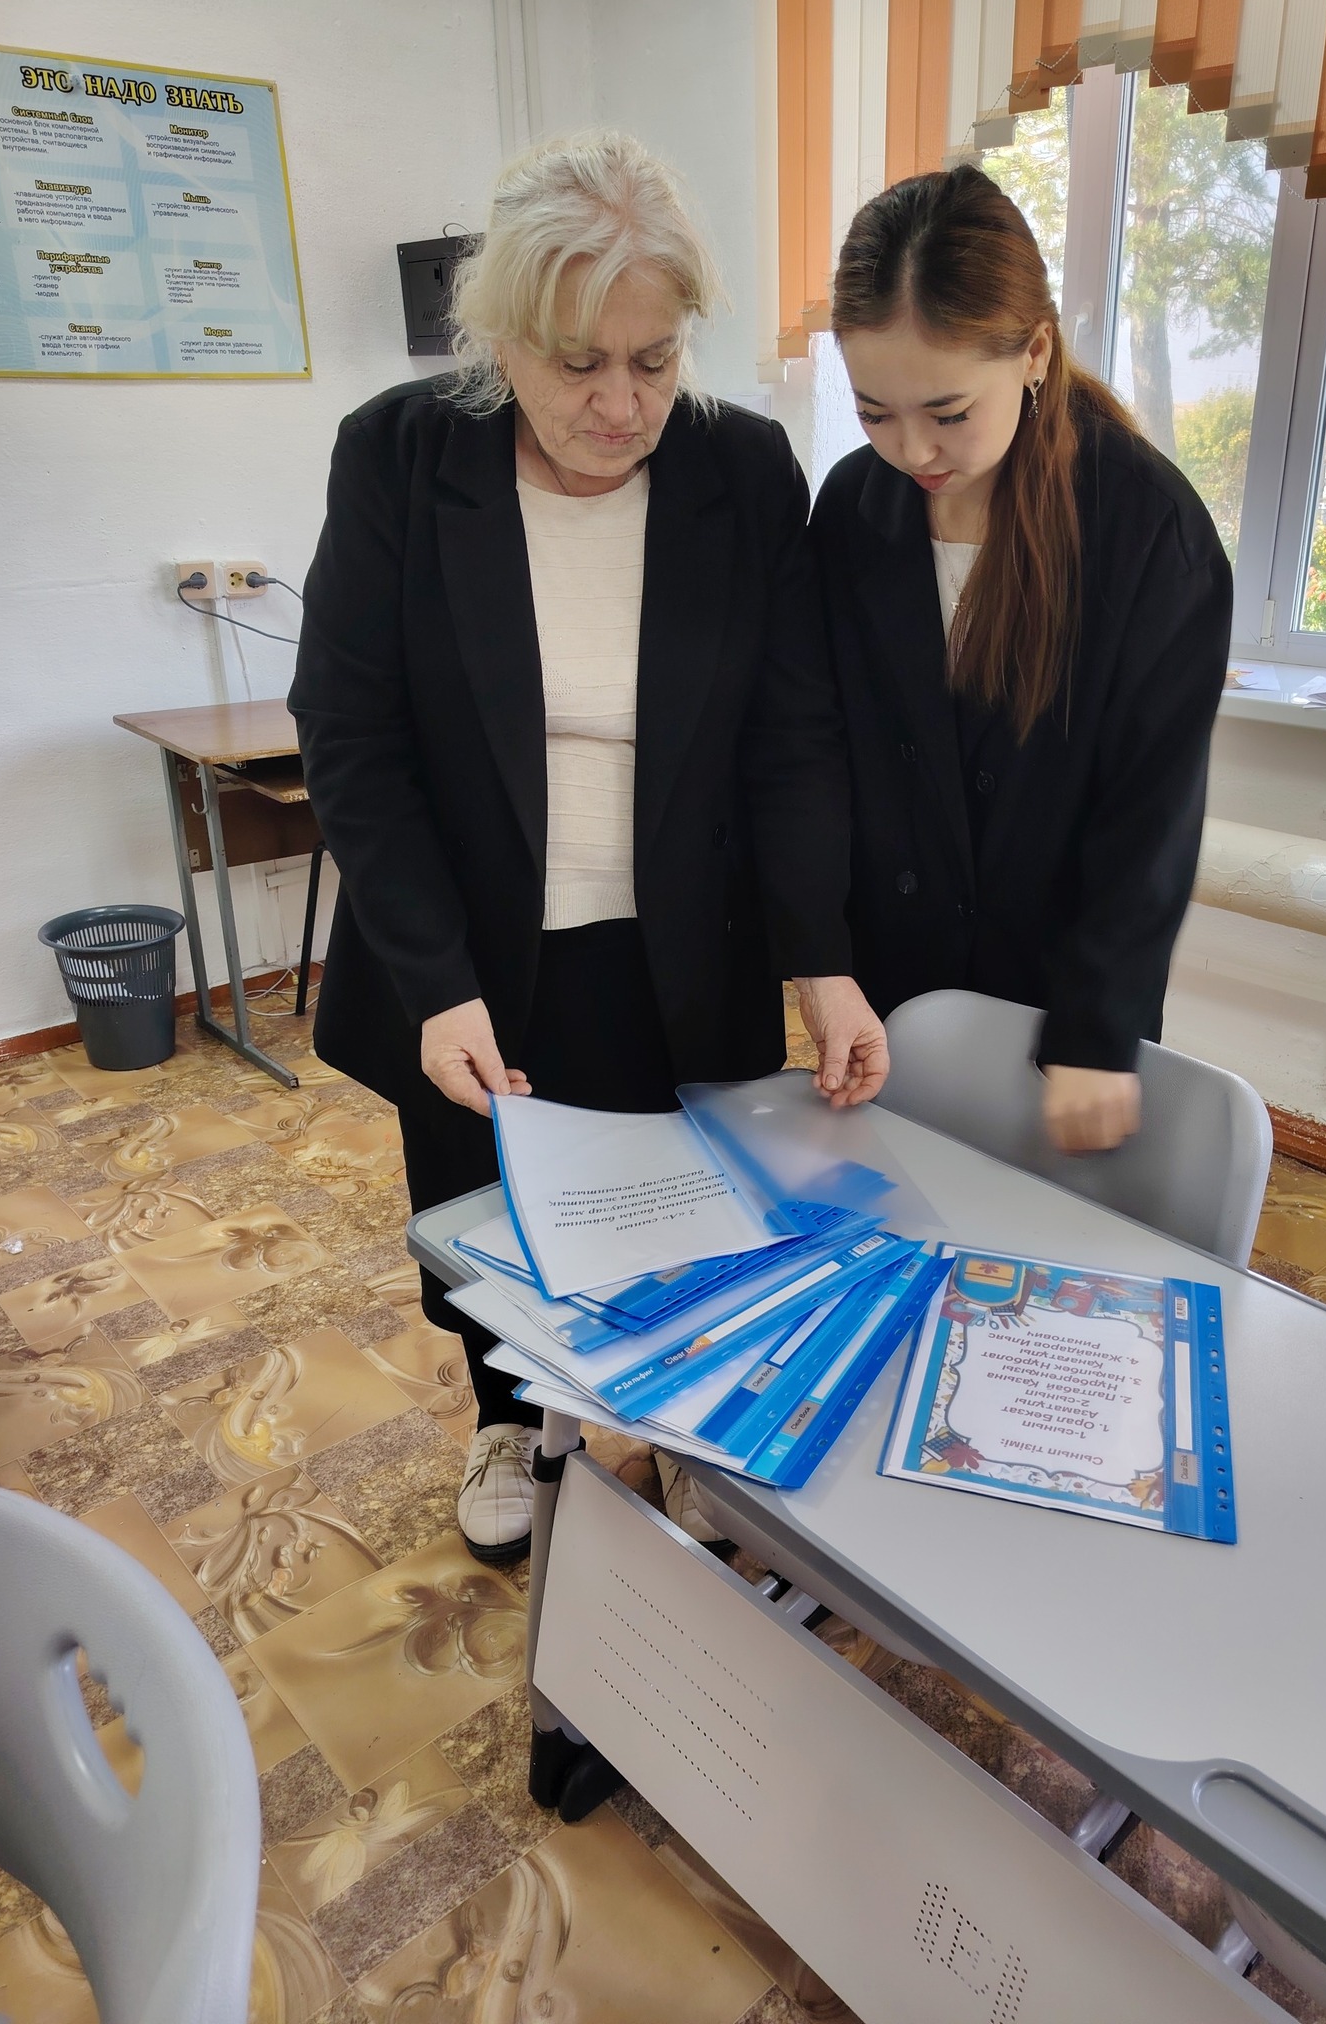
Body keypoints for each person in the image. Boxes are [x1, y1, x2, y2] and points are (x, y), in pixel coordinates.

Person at [291, 134, 886, 1566]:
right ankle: (507, 1413)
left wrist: (821, 959)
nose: (621, 406)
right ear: (500, 339)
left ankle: (674, 1417)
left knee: (688, 1216)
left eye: (654, 360)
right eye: (578, 365)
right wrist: (433, 977)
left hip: (680, 937)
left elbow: (791, 736)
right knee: (486, 1209)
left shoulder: (740, 467)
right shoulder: (400, 454)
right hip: (471, 947)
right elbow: (352, 731)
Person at [810, 165, 1231, 1156]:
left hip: (1063, 1004)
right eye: (874, 411)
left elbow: (1152, 814)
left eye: (949, 412)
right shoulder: (852, 511)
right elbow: (818, 749)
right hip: (895, 996)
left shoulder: (1147, 530)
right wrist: (821, 959)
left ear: (1034, 351)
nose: (913, 450)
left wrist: (1095, 1031)